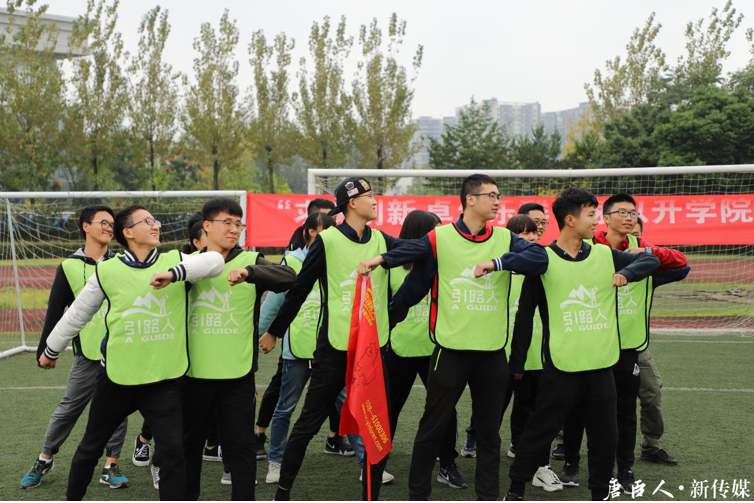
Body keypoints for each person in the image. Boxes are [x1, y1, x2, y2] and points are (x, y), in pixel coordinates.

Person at [360, 174, 548, 501]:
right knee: (431, 430)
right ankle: (418, 495)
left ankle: (487, 497)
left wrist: (497, 263)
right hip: (449, 354)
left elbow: (540, 258)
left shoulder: (505, 238)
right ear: (470, 199)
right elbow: (412, 275)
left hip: (492, 355)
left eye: (498, 195)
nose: (497, 201)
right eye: (491, 195)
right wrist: (382, 261)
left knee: (489, 436)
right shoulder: (440, 237)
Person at [38, 204, 225, 500]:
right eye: (147, 221)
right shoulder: (108, 270)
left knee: (173, 453)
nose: (156, 226)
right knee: (89, 449)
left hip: (163, 381)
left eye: (155, 221)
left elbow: (215, 261)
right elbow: (77, 314)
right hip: (116, 379)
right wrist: (51, 349)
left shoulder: (174, 260)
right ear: (128, 232)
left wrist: (174, 274)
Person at [487, 187, 659, 501]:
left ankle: (599, 494)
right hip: (560, 368)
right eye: (591, 215)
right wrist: (518, 362)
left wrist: (627, 272)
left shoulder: (605, 255)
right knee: (539, 431)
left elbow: (650, 261)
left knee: (605, 439)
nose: (596, 221)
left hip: (601, 368)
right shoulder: (544, 260)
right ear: (570, 219)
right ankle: (516, 488)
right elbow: (525, 316)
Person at [260, 177, 415, 501]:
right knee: (308, 423)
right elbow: (299, 289)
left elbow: (419, 249)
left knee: (377, 425)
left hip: (373, 352)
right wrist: (275, 331)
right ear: (352, 203)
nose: (376, 200)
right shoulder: (327, 241)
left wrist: (382, 260)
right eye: (370, 196)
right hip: (334, 350)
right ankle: (282, 493)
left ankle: (370, 494)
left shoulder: (382, 240)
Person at [561, 194, 688, 492]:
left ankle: (626, 469)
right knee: (578, 407)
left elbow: (681, 263)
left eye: (633, 212)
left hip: (627, 348)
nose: (629, 217)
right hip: (589, 342)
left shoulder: (642, 250)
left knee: (626, 411)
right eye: (622, 212)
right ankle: (570, 463)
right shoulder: (589, 247)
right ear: (605, 218)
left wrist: (646, 251)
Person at [182, 197, 297, 500]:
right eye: (227, 222)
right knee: (189, 445)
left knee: (242, 448)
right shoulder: (187, 264)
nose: (234, 229)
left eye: (238, 223)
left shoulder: (251, 260)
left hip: (238, 374)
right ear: (207, 226)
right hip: (193, 375)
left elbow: (289, 278)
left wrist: (250, 273)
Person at [21, 206, 129, 490]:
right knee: (68, 409)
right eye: (103, 222)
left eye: (112, 223)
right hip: (87, 355)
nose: (108, 227)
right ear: (86, 226)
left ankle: (111, 465)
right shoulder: (68, 266)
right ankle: (45, 458)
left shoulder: (121, 263)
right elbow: (56, 310)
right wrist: (45, 350)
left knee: (117, 412)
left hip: (119, 352)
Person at [261, 212, 357, 485]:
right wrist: (265, 332)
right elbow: (276, 301)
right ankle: (276, 462)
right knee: (285, 408)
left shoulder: (341, 257)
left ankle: (368, 465)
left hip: (331, 347)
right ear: (311, 233)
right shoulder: (292, 260)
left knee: (349, 407)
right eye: (325, 231)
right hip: (299, 348)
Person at [382, 210, 469, 490]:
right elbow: (382, 307)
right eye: (435, 230)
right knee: (388, 410)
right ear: (420, 234)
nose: (440, 236)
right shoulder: (391, 266)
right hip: (398, 348)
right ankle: (375, 464)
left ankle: (447, 464)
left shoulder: (445, 264)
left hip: (436, 348)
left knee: (445, 410)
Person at [133, 212, 211, 480]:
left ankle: (212, 448)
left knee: (190, 412)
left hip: (202, 352)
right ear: (196, 241)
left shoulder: (219, 263)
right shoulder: (180, 266)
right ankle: (151, 450)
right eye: (207, 235)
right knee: (168, 409)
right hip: (175, 350)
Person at [631, 218, 682, 467]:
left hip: (637, 347)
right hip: (601, 346)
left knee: (652, 393)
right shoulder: (599, 265)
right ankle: (564, 442)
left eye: (637, 236)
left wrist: (648, 251)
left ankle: (651, 446)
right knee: (581, 395)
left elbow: (682, 266)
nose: (631, 241)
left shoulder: (649, 271)